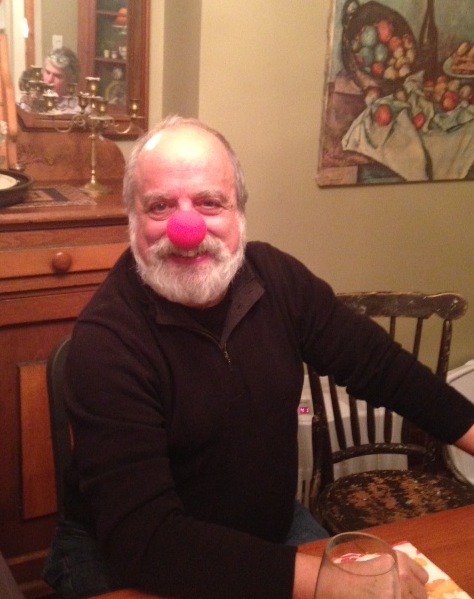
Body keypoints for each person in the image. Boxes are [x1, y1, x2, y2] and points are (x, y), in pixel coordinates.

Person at [43, 115, 474, 599]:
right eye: (160, 206)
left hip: (268, 529)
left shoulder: (278, 279)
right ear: (132, 221)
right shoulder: (105, 342)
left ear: (240, 214)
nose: (187, 229)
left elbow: (382, 367)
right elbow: (146, 541)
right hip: (131, 553)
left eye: (210, 202)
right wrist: (326, 580)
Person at [18, 46, 80, 112]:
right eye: (47, 72)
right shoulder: (30, 102)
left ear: (70, 81)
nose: (49, 80)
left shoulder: (77, 109)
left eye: (57, 76)